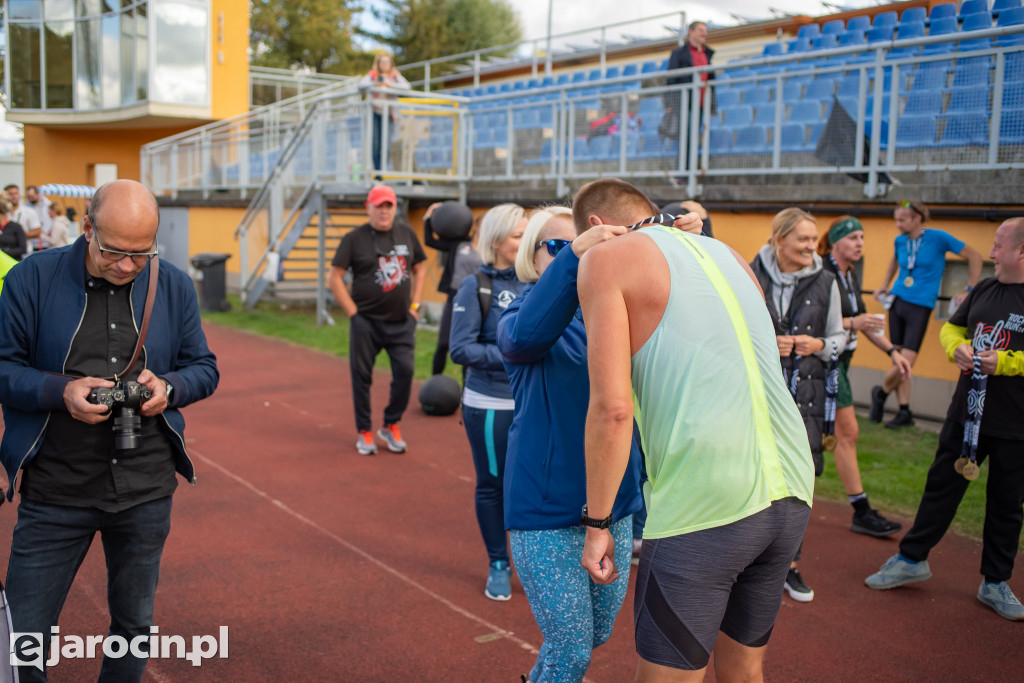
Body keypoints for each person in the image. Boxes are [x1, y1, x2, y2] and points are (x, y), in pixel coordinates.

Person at [576, 178, 814, 682]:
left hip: (707, 497)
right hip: (792, 482)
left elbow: (612, 410)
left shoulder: (605, 259)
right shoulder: (726, 253)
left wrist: (597, 525)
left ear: (598, 227)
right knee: (744, 671)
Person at [0, 179, 220, 682]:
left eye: (141, 254)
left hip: (145, 487)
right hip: (56, 488)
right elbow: (3, 367)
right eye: (113, 251)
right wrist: (62, 393)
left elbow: (204, 367)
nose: (127, 266)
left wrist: (169, 388)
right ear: (86, 228)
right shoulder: (32, 279)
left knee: (133, 627)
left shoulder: (174, 284)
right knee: (23, 638)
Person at [498, 205, 684, 681]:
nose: (579, 256)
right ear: (533, 256)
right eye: (559, 247)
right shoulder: (518, 312)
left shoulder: (612, 312)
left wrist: (683, 245)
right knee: (571, 651)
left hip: (614, 505)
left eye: (587, 244)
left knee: (596, 634)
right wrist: (578, 255)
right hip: (545, 511)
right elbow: (524, 338)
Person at [866, 217, 1024, 623]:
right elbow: (952, 329)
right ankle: (911, 558)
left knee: (1007, 504)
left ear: (1020, 252)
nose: (990, 253)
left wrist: (1004, 363)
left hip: (1015, 426)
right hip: (965, 413)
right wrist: (957, 349)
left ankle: (995, 582)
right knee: (940, 487)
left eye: (997, 245)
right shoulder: (985, 289)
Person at [750, 207, 845, 603]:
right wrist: (764, 343)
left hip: (806, 396)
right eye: (803, 239)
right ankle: (747, 557)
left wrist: (819, 345)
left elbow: (842, 338)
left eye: (813, 238)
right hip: (757, 393)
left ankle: (789, 565)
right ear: (779, 240)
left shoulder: (827, 280)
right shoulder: (748, 272)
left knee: (797, 481)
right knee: (752, 473)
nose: (811, 246)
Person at [448, 204, 528, 601]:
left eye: (527, 234)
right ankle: (499, 563)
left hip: (534, 404)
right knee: (493, 485)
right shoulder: (475, 285)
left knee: (535, 487)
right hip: (489, 403)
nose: (525, 242)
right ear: (495, 240)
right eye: (517, 235)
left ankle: (537, 566)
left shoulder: (540, 280)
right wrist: (518, 352)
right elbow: (460, 349)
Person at [819, 216, 912, 536]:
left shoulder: (848, 274)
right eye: (854, 237)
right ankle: (861, 511)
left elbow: (863, 322)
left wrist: (893, 352)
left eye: (862, 237)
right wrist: (853, 323)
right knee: (848, 433)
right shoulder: (823, 272)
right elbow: (816, 320)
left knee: (826, 436)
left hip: (843, 362)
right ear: (835, 242)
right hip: (826, 364)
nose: (860, 243)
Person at [329, 185, 426, 455]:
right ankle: (365, 431)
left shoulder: (406, 232)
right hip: (366, 323)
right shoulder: (354, 239)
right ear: (368, 207)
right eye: (379, 206)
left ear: (395, 208)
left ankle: (391, 424)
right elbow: (334, 277)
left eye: (389, 206)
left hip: (401, 322)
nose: (384, 211)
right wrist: (353, 314)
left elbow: (420, 267)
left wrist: (415, 306)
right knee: (361, 378)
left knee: (405, 373)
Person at [870, 200, 983, 428]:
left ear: (917, 218)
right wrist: (884, 283)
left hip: (920, 305)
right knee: (898, 356)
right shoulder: (900, 240)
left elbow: (975, 256)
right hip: (897, 301)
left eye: (902, 220)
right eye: (896, 219)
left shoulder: (938, 237)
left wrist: (969, 289)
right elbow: (894, 260)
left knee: (906, 361)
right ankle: (904, 411)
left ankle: (880, 393)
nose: (897, 224)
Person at [422, 202, 481, 376]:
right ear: (475, 226)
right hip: (455, 296)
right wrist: (428, 217)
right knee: (443, 344)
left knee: (467, 347)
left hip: (476, 300)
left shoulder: (490, 250)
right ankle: (434, 384)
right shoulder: (459, 244)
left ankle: (466, 393)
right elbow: (430, 240)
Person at [662, 21, 714, 141]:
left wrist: (712, 105)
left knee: (695, 137)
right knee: (686, 137)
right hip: (685, 103)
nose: (704, 33)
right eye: (701, 30)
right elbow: (671, 79)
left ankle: (692, 160)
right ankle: (684, 160)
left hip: (701, 103)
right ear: (691, 32)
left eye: (705, 31)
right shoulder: (679, 53)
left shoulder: (707, 54)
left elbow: (711, 80)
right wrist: (669, 103)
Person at [359, 52, 410, 174]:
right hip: (374, 113)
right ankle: (377, 172)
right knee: (375, 143)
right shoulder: (372, 76)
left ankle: (383, 170)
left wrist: (390, 84)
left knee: (386, 144)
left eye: (387, 62)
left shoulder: (395, 76)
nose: (385, 65)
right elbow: (360, 86)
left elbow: (407, 87)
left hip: (389, 114)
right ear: (378, 63)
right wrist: (374, 83)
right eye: (382, 62)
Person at [4, 183, 42, 251]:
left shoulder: (29, 211)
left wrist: (18, 235)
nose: (14, 196)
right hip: (6, 253)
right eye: (10, 194)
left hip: (25, 252)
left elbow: (37, 232)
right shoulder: (3, 213)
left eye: (16, 193)